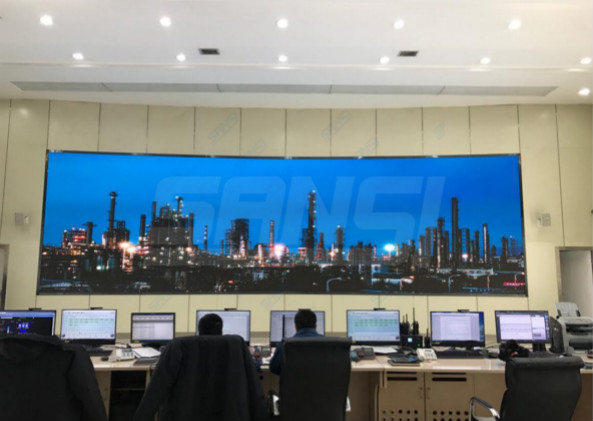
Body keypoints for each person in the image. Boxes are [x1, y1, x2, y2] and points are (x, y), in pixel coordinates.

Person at [269, 309, 323, 375]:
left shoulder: (285, 344)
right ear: (316, 326)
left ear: (295, 327)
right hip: (322, 381)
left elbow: (273, 368)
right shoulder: (328, 344)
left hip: (292, 381)